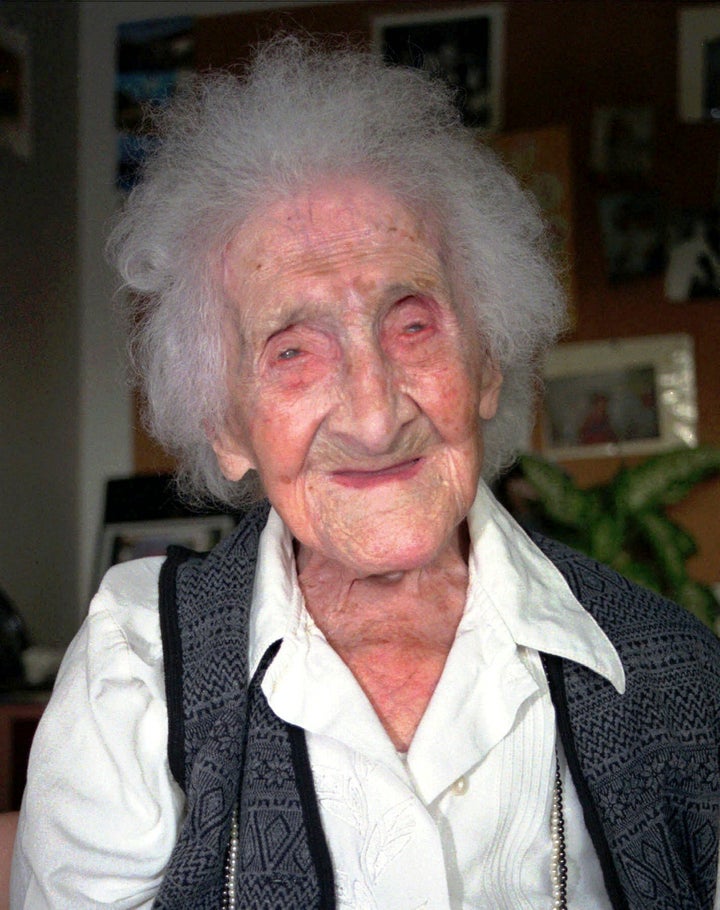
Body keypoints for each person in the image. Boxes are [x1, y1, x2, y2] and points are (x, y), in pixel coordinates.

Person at [11, 36, 720, 910]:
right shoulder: (139, 668)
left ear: (488, 366)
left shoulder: (676, 677)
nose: (375, 413)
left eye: (413, 324)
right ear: (228, 426)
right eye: (294, 351)